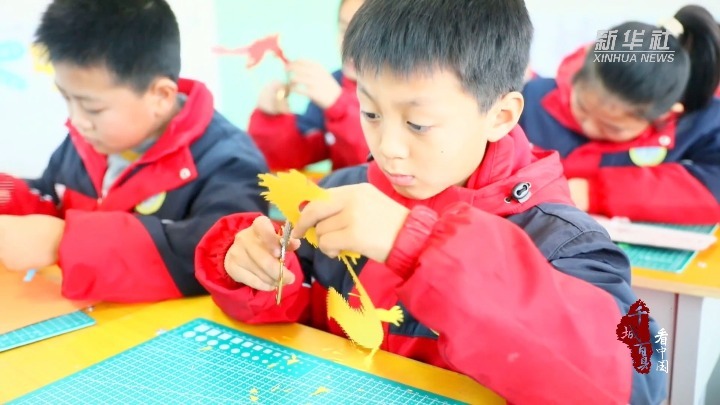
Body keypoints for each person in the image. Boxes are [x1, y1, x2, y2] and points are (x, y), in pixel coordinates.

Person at [195, 0, 666, 403]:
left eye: (418, 124)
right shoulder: (343, 193)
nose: (388, 147)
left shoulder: (560, 239)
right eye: (371, 112)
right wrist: (256, 274)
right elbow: (295, 313)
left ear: (501, 116)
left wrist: (417, 244)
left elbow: (640, 379)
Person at [0, 0, 268, 303]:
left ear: (161, 96)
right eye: (67, 99)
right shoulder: (87, 140)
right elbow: (50, 195)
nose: (76, 119)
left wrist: (63, 242)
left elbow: (215, 256)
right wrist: (4, 194)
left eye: (92, 108)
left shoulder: (229, 163)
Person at [521, 5, 720, 224]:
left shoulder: (699, 124)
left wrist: (593, 192)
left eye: (612, 127)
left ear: (664, 114)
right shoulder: (530, 99)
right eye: (582, 109)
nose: (589, 127)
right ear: (578, 72)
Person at [248, 0, 369, 172]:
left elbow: (381, 163)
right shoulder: (334, 84)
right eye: (344, 30)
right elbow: (288, 158)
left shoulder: (404, 91)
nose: (349, 44)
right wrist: (271, 119)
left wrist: (339, 106)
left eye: (365, 33)